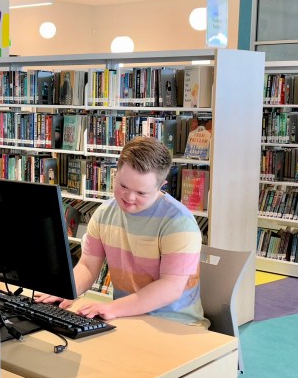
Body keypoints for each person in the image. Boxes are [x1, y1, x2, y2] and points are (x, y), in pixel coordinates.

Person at [37, 136, 207, 326]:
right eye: (123, 185)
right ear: (115, 173)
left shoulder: (179, 223)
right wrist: (66, 291)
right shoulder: (104, 213)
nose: (129, 197)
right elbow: (87, 266)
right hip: (127, 318)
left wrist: (114, 308)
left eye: (141, 193)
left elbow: (171, 288)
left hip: (176, 325)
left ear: (161, 186)